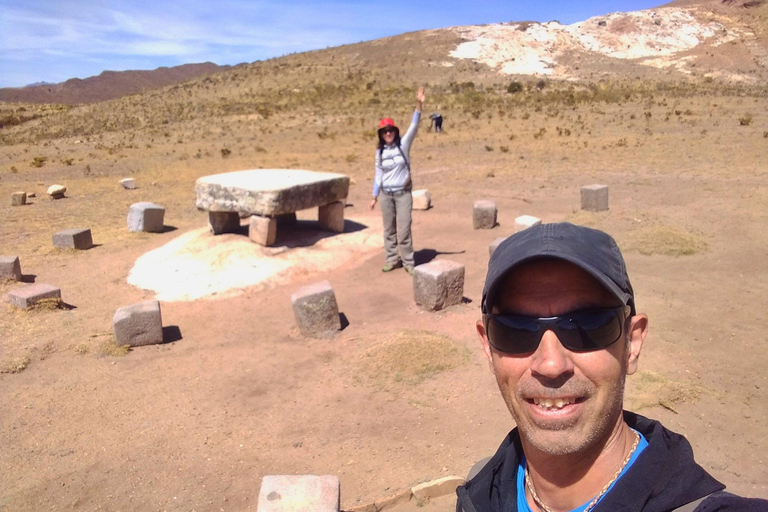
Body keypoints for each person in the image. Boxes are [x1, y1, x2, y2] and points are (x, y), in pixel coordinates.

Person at [457, 222, 768, 512]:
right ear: (488, 347)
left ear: (632, 343)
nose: (551, 365)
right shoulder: (481, 495)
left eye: (588, 326)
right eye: (514, 330)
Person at [368, 86, 425, 274]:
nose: (388, 134)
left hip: (402, 194)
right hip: (386, 195)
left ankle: (408, 261)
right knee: (388, 230)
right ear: (381, 134)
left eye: (390, 130)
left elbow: (414, 126)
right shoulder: (380, 152)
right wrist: (374, 196)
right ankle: (392, 259)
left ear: (395, 131)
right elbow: (378, 174)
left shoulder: (404, 145)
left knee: (404, 229)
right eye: (384, 132)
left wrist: (419, 104)